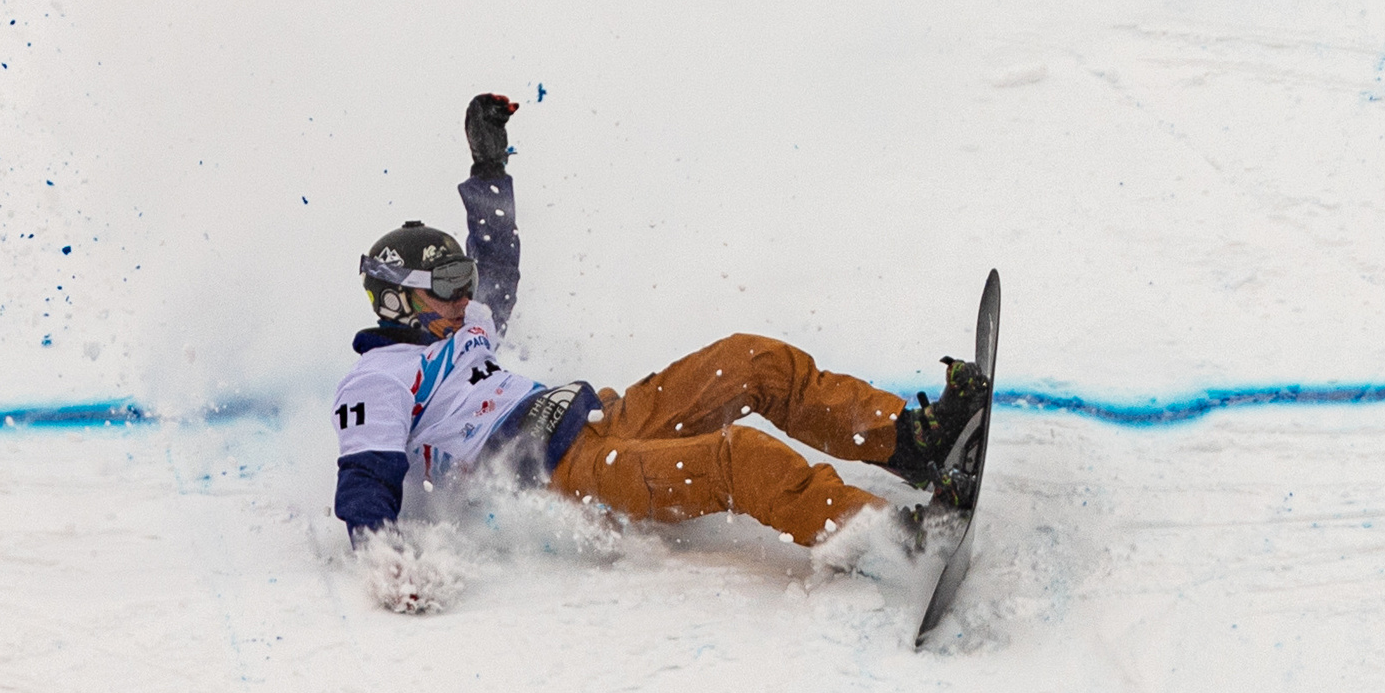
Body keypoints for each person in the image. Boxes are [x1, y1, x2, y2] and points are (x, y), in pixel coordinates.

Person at [331, 94, 985, 570]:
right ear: (396, 300)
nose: (464, 296)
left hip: (602, 417)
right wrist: (388, 563)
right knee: (738, 458)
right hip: (573, 477)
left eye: (463, 279)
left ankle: (913, 442)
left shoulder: (465, 324)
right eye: (446, 286)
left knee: (749, 359)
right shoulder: (378, 379)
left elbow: (498, 260)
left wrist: (488, 167)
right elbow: (367, 478)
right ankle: (895, 540)